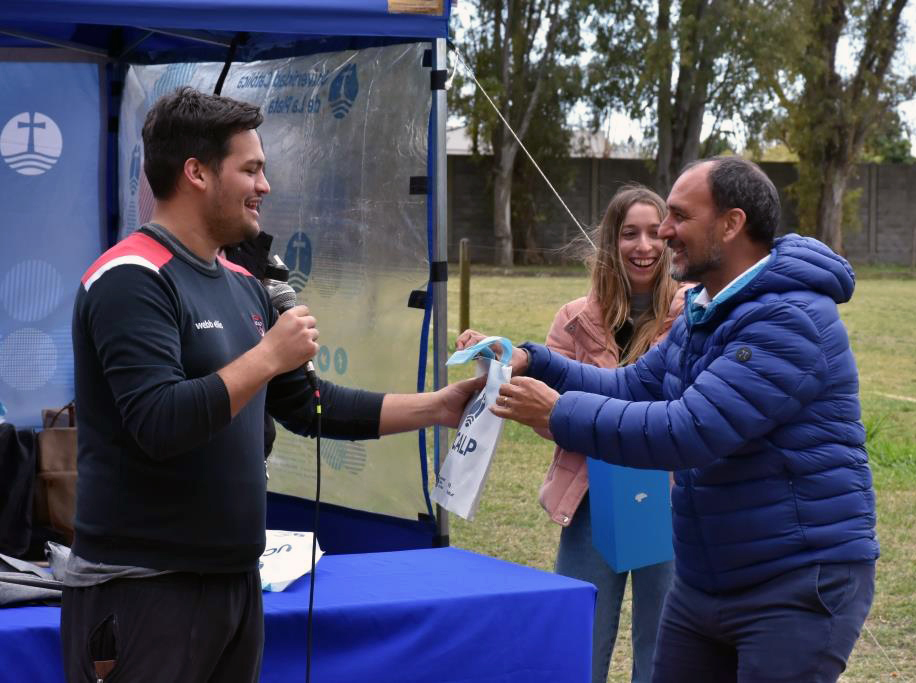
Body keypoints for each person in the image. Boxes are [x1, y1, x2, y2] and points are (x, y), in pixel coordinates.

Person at [63, 87, 480, 683]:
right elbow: (158, 421)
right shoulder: (130, 278)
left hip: (235, 585)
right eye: (251, 169)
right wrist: (265, 355)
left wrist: (438, 407)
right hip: (143, 591)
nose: (265, 186)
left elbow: (311, 406)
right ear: (196, 173)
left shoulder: (240, 282)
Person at [458, 156, 879, 682]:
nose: (663, 232)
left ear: (731, 224)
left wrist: (558, 411)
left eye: (679, 216)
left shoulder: (787, 320)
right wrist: (534, 359)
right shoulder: (705, 309)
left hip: (794, 581)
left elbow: (686, 432)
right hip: (709, 579)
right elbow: (633, 386)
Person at [541, 185, 689, 683]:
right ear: (610, 241)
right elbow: (548, 413)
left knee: (665, 646)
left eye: (654, 232)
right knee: (579, 638)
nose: (644, 246)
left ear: (671, 239)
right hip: (592, 494)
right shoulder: (573, 317)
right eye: (630, 233)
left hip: (667, 497)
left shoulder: (695, 315)